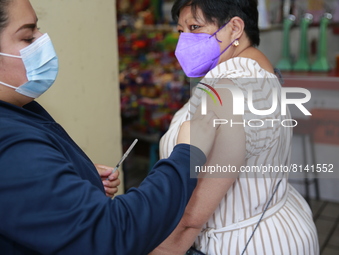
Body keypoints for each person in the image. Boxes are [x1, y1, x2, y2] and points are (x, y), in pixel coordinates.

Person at [0, 0, 220, 254]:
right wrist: (188, 155)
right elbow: (112, 233)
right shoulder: (10, 142)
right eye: (28, 37)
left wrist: (72, 179)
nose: (43, 40)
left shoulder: (20, 108)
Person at [151, 0, 319, 254]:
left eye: (195, 27)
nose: (184, 40)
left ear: (235, 28)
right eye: (181, 30)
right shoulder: (260, 70)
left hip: (241, 243)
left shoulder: (225, 91)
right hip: (280, 227)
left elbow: (194, 215)